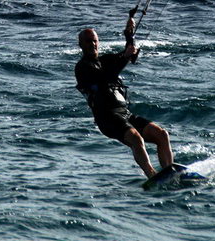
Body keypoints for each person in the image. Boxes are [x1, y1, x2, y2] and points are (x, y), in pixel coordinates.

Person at [74, 16, 172, 178]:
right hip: (107, 117)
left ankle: (169, 173)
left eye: (94, 41)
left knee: (162, 134)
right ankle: (152, 175)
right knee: (135, 138)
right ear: (81, 45)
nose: (92, 44)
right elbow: (105, 77)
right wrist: (125, 56)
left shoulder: (104, 60)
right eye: (88, 41)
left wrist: (129, 35)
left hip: (124, 113)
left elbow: (128, 55)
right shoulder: (82, 67)